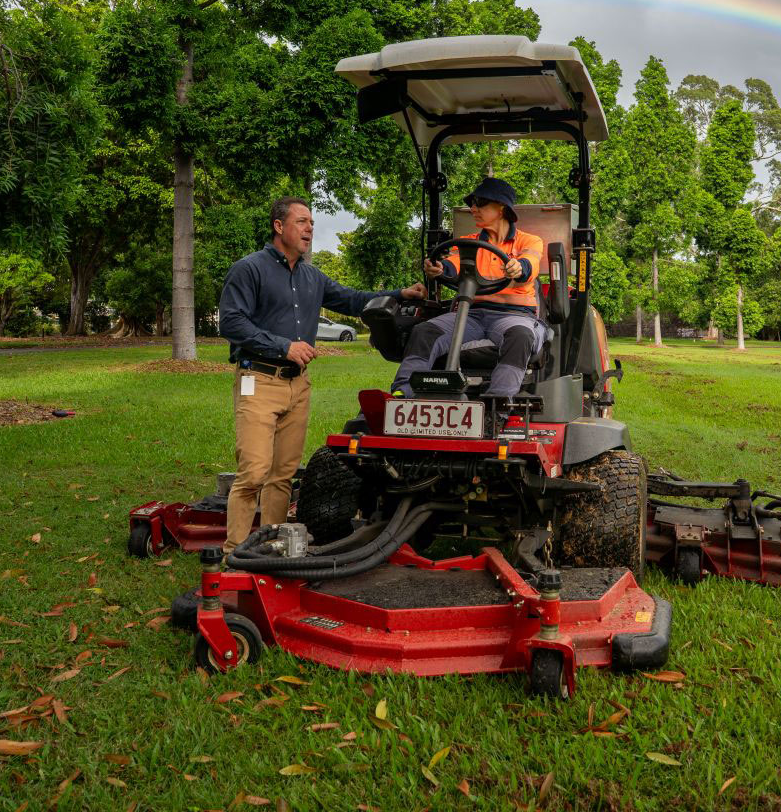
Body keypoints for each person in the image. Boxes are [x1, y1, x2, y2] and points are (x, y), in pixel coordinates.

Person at [218, 196, 426, 552]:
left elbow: (351, 299)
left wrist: (399, 293)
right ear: (278, 226)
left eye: (311, 223)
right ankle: (233, 554)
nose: (309, 228)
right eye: (301, 222)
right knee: (253, 473)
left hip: (297, 385)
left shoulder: (312, 276)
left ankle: (270, 549)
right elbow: (232, 322)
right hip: (260, 379)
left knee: (283, 476)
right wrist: (284, 346)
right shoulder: (249, 269)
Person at [391, 177, 545, 400]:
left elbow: (530, 262)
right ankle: (402, 394)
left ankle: (497, 404)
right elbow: (453, 265)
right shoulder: (468, 242)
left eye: (480, 202)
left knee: (520, 336)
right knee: (424, 331)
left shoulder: (528, 241)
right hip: (471, 315)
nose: (473, 208)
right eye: (472, 203)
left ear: (502, 208)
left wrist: (519, 267)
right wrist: (439, 268)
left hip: (513, 316)